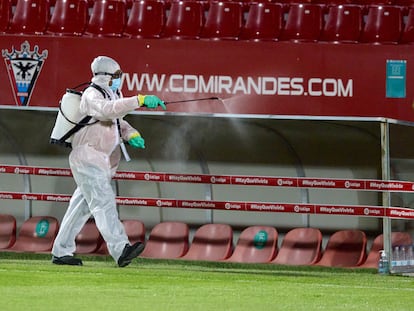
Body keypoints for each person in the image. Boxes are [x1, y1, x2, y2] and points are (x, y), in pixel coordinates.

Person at [51, 56, 166, 267]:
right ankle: (121, 248)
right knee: (103, 202)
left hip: (102, 162)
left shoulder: (113, 94)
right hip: (87, 158)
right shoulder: (91, 95)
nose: (119, 79)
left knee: (80, 207)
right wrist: (138, 100)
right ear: (104, 76)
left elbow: (117, 122)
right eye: (117, 75)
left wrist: (131, 134)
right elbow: (106, 111)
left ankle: (61, 251)